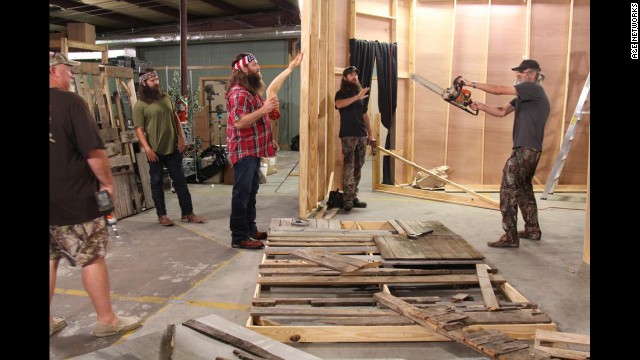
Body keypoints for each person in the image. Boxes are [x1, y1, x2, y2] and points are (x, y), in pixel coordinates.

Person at [50, 51, 142, 337]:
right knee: (92, 257)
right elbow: (93, 151)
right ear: (53, 71)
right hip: (74, 198)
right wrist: (107, 184)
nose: (71, 74)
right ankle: (107, 320)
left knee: (49, 257)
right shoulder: (69, 103)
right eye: (67, 69)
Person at [462, 59, 550, 248]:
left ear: (533, 74)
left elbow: (499, 89)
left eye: (522, 71)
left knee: (508, 189)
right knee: (524, 189)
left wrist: (471, 84)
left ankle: (510, 237)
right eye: (517, 72)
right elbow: (502, 111)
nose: (518, 74)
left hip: (525, 149)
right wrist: (480, 106)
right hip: (530, 150)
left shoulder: (533, 89)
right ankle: (532, 230)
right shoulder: (523, 97)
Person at [133, 68, 207, 226]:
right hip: (155, 152)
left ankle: (188, 213)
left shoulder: (166, 97)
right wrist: (147, 149)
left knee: (181, 182)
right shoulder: (140, 105)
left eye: (157, 79)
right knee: (157, 183)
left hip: (173, 149)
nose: (156, 82)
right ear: (144, 83)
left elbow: (175, 117)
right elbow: (139, 129)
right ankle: (162, 216)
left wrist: (181, 138)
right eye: (152, 80)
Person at [225, 53, 280, 249]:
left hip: (254, 150)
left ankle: (250, 228)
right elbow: (240, 122)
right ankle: (239, 237)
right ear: (243, 69)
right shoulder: (239, 93)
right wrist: (264, 109)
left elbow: (260, 118)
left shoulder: (251, 91)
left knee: (251, 191)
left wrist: (270, 139)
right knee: (242, 194)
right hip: (243, 151)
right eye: (255, 64)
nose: (259, 67)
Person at [334, 66, 375, 211]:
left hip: (361, 135)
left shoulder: (360, 94)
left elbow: (364, 115)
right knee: (349, 166)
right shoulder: (341, 93)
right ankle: (347, 198)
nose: (354, 76)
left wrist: (370, 133)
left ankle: (353, 195)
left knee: (359, 166)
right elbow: (338, 105)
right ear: (345, 78)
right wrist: (357, 97)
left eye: (356, 74)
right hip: (349, 134)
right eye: (351, 74)